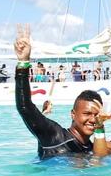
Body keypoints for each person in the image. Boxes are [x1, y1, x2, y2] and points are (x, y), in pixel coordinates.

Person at [14, 24, 102, 159]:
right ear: (73, 114)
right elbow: (25, 107)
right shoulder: (53, 135)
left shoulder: (94, 150)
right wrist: (23, 63)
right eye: (87, 113)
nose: (92, 119)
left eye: (97, 115)